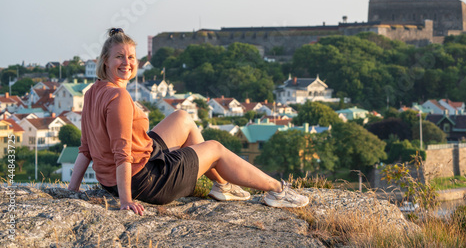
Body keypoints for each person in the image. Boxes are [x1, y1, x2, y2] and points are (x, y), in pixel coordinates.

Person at [68, 28, 308, 215]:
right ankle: (277, 191)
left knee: (183, 118)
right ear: (105, 61)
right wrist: (126, 201)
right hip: (145, 181)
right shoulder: (118, 96)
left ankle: (223, 186)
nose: (127, 63)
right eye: (119, 57)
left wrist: (71, 191)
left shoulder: (92, 91)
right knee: (215, 148)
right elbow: (122, 153)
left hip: (126, 172)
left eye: (131, 57)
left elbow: (86, 148)